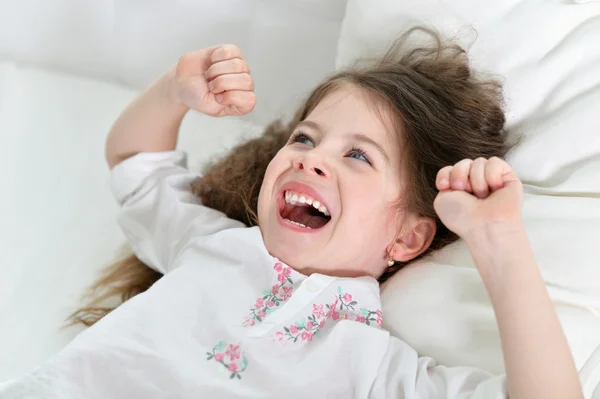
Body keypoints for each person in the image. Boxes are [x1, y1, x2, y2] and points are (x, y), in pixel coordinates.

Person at [0, 29, 582, 398]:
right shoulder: (211, 245)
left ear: (407, 237)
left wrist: (498, 240)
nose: (313, 161)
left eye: (357, 155)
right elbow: (135, 165)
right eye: (305, 138)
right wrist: (174, 91)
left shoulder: (373, 369)